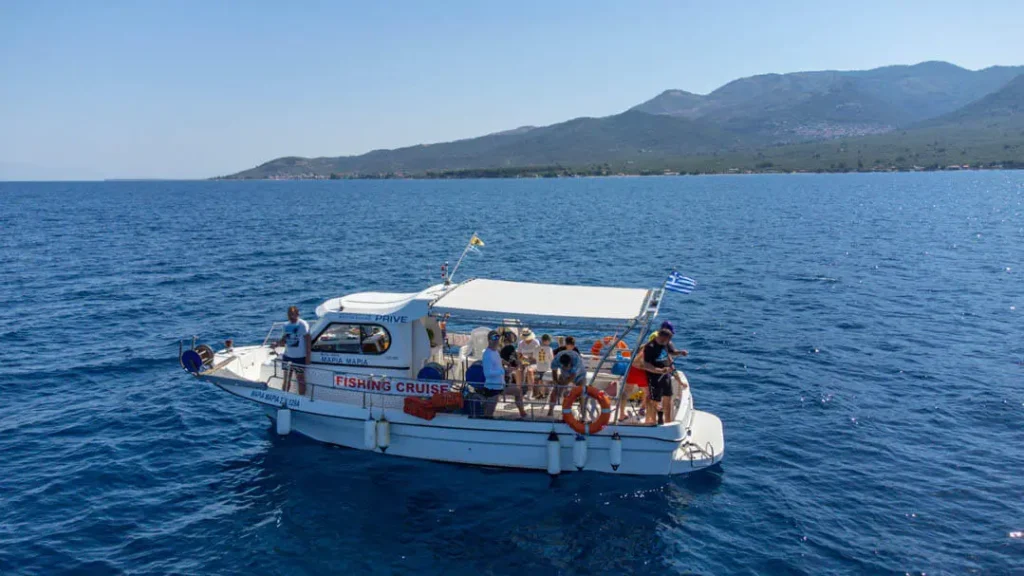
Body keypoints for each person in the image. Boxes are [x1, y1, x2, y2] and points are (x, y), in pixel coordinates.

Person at [635, 328, 686, 425]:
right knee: (654, 401)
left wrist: (680, 352)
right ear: (662, 337)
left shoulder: (665, 344)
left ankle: (668, 421)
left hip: (666, 376)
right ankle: (653, 421)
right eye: (667, 339)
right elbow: (646, 365)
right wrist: (659, 370)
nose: (668, 342)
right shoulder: (650, 347)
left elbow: (671, 352)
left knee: (668, 397)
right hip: (654, 378)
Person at [482, 330, 527, 419]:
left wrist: (508, 363)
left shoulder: (495, 352)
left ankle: (523, 414)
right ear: (489, 340)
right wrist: (504, 371)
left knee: (518, 392)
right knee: (488, 415)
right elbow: (487, 374)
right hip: (493, 388)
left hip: (501, 385)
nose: (497, 340)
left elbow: (499, 360)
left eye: (498, 338)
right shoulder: (487, 354)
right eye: (494, 338)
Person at [275, 306, 311, 395]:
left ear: (297, 314)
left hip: (299, 357)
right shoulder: (285, 325)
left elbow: (308, 340)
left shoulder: (302, 324)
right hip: (287, 356)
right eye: (289, 314)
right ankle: (284, 396)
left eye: (292, 314)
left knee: (300, 379)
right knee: (286, 379)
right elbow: (284, 339)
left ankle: (301, 398)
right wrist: (277, 344)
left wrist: (308, 356)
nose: (291, 316)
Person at [547, 347, 587, 417]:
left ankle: (583, 415)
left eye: (568, 366)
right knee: (555, 391)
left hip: (580, 375)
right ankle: (550, 412)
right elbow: (554, 371)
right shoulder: (556, 360)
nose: (567, 368)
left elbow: (572, 376)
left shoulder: (576, 360)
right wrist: (556, 382)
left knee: (581, 393)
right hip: (564, 375)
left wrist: (564, 386)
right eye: (564, 367)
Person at [517, 328, 542, 397]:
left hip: (534, 362)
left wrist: (529, 358)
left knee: (529, 370)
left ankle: (530, 391)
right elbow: (519, 356)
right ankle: (519, 391)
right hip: (524, 361)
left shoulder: (536, 342)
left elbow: (538, 356)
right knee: (518, 370)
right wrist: (524, 360)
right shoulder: (521, 343)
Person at [533, 334, 555, 399]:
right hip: (547, 368)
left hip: (539, 367)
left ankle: (540, 393)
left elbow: (534, 357)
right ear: (547, 341)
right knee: (546, 381)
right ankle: (546, 393)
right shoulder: (549, 349)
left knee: (540, 381)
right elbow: (552, 359)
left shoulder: (536, 348)